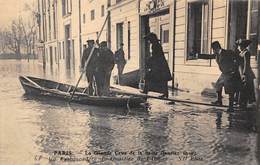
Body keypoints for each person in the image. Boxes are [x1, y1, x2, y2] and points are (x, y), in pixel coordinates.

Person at [211, 41, 241, 111]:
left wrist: (234, 68)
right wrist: (198, 55)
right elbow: (209, 56)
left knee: (230, 90)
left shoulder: (227, 52)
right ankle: (219, 101)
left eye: (213, 49)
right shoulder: (217, 54)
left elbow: (237, 57)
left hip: (231, 73)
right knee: (218, 85)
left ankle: (231, 107)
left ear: (217, 48)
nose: (213, 51)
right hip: (224, 73)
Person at [143, 32, 172, 98]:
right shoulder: (157, 44)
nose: (149, 41)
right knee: (163, 80)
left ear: (152, 39)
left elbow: (155, 56)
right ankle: (165, 94)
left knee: (148, 76)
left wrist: (148, 60)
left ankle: (145, 91)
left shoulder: (155, 45)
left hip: (159, 65)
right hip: (161, 64)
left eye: (149, 40)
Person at [236, 39, 256, 108]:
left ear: (242, 46)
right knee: (242, 88)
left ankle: (243, 103)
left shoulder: (246, 53)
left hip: (247, 74)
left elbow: (246, 64)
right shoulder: (241, 53)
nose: (237, 48)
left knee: (245, 88)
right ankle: (241, 102)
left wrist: (244, 74)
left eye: (238, 46)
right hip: (241, 73)